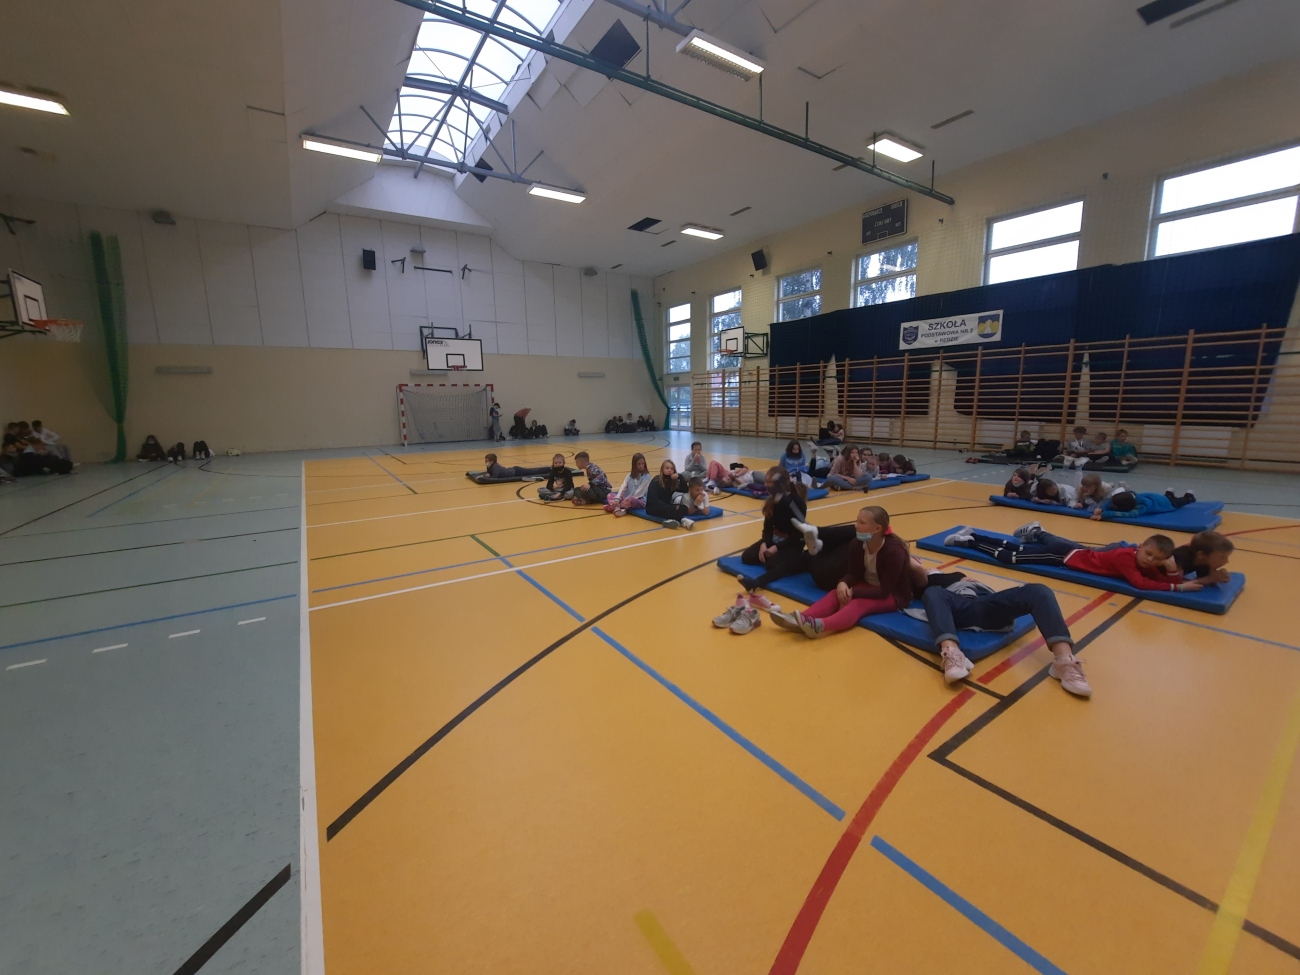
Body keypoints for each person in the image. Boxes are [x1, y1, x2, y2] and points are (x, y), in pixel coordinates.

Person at [767, 506, 915, 638]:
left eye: (862, 523)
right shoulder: (857, 544)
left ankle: (820, 626)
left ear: (877, 529)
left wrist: (853, 592)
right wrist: (843, 583)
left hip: (892, 595)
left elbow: (884, 590)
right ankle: (799, 618)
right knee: (835, 593)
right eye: (857, 521)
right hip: (868, 585)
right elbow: (853, 574)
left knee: (858, 604)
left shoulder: (894, 551)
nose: (856, 525)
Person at [921, 581, 1092, 696]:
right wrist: (921, 568)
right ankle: (951, 653)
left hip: (989, 602)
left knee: (1039, 591)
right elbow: (918, 583)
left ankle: (1064, 660)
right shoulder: (928, 577)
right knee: (932, 591)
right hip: (958, 605)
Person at [945, 523, 1197, 592]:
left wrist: (1171, 571)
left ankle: (973, 535)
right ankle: (970, 540)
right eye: (1148, 554)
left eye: (1156, 559)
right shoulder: (1125, 556)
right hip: (1064, 556)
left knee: (1017, 551)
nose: (1150, 561)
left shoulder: (1144, 562)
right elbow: (1140, 583)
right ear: (1140, 547)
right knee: (1010, 558)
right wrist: (1178, 587)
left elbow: (1154, 577)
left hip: (1066, 554)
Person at [712, 467, 807, 634]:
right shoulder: (772, 501)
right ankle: (774, 558)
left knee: (773, 564)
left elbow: (797, 534)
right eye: (767, 482)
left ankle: (756, 583)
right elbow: (767, 528)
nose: (767, 485)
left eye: (771, 482)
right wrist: (764, 544)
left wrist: (776, 548)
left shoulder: (796, 502)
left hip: (792, 543)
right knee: (747, 556)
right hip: (775, 539)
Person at [646, 459, 698, 529]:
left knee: (683, 508)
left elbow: (685, 490)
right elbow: (654, 500)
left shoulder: (672, 482)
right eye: (667, 468)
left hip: (666, 506)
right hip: (653, 507)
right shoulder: (656, 481)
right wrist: (671, 507)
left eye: (672, 469)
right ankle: (683, 521)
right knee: (672, 509)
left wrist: (680, 476)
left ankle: (669, 520)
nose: (669, 470)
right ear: (662, 469)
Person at [1090, 489, 1195, 521]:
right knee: (1167, 497)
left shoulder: (1142, 506)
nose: (1112, 506)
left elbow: (1130, 514)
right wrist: (1102, 508)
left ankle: (1189, 497)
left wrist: (1105, 514)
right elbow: (1111, 501)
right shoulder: (1128, 496)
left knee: (1178, 502)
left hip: (1167, 503)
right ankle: (1169, 494)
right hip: (1156, 497)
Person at [475, 453, 549, 481]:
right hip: (513, 470)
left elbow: (494, 477)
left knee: (533, 472)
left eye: (487, 461)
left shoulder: (496, 467)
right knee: (531, 471)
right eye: (485, 461)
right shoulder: (490, 466)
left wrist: (483, 477)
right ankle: (548, 468)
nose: (486, 462)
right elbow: (489, 473)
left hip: (516, 471)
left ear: (492, 461)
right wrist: (487, 474)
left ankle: (548, 469)